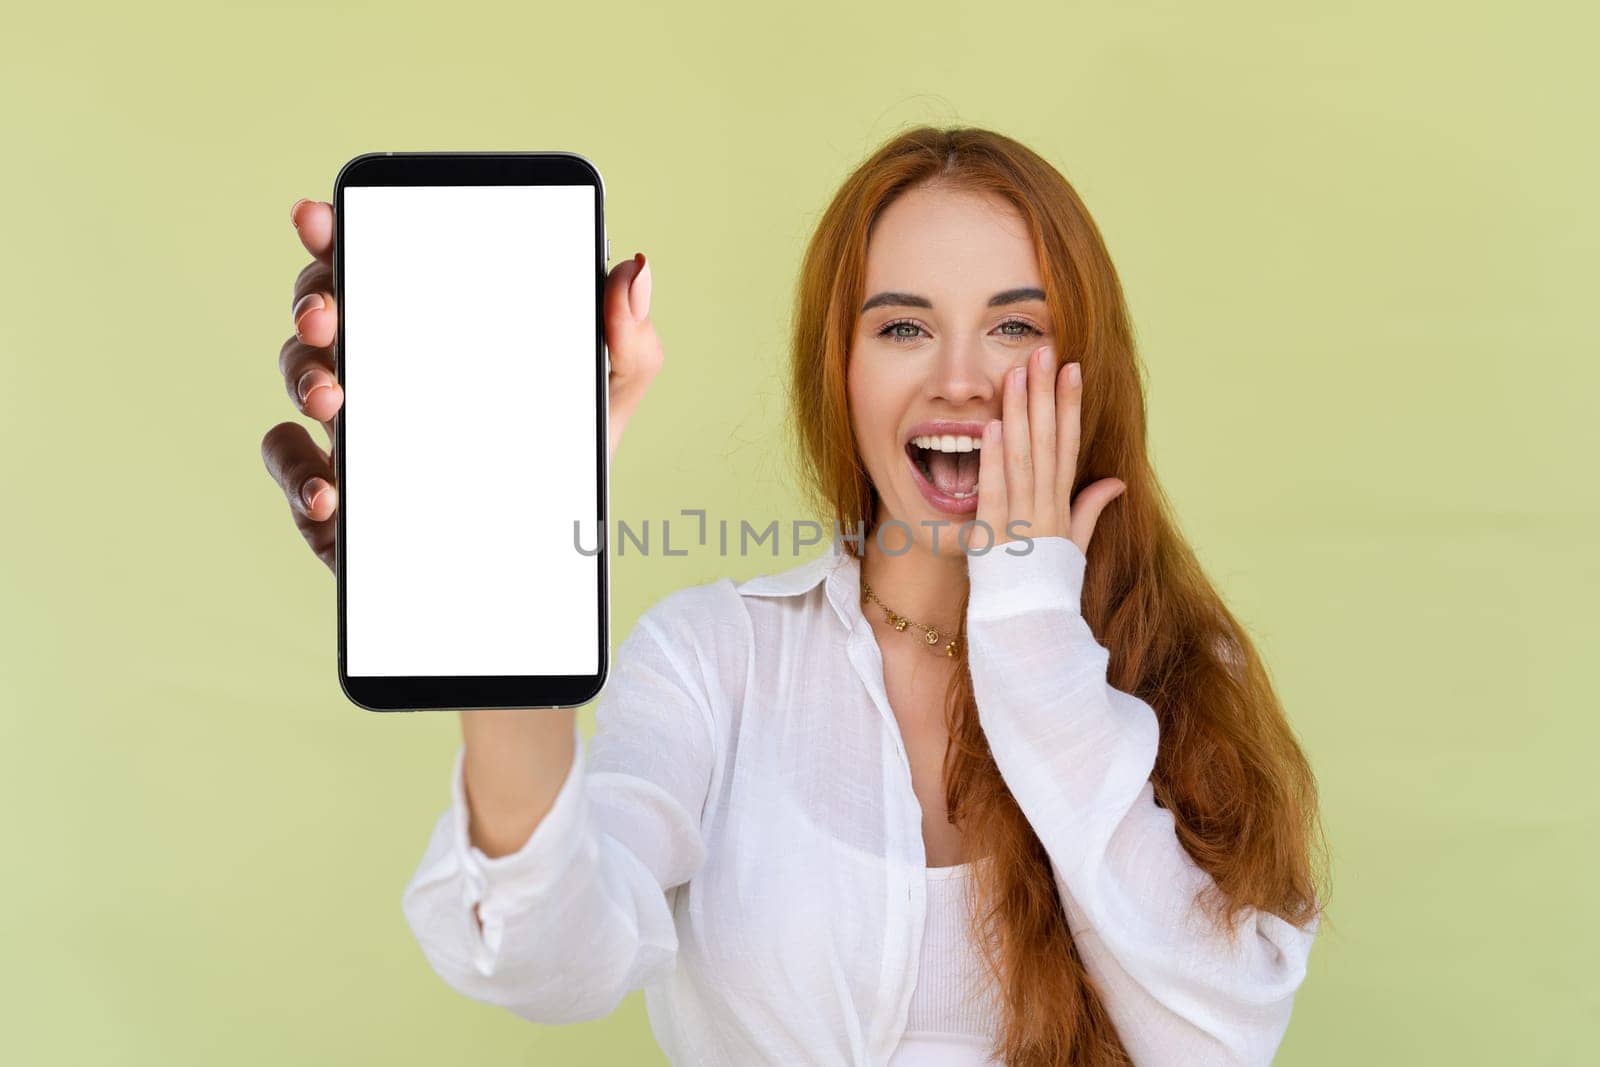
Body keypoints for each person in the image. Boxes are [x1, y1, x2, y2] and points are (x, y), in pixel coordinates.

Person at [263, 125, 1328, 1066]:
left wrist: (1034, 622)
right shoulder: (716, 659)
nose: (958, 377)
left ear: (1086, 370)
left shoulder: (1178, 673)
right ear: (841, 369)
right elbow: (550, 957)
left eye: (1014, 328)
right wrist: (511, 568)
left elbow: (1214, 1037)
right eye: (902, 327)